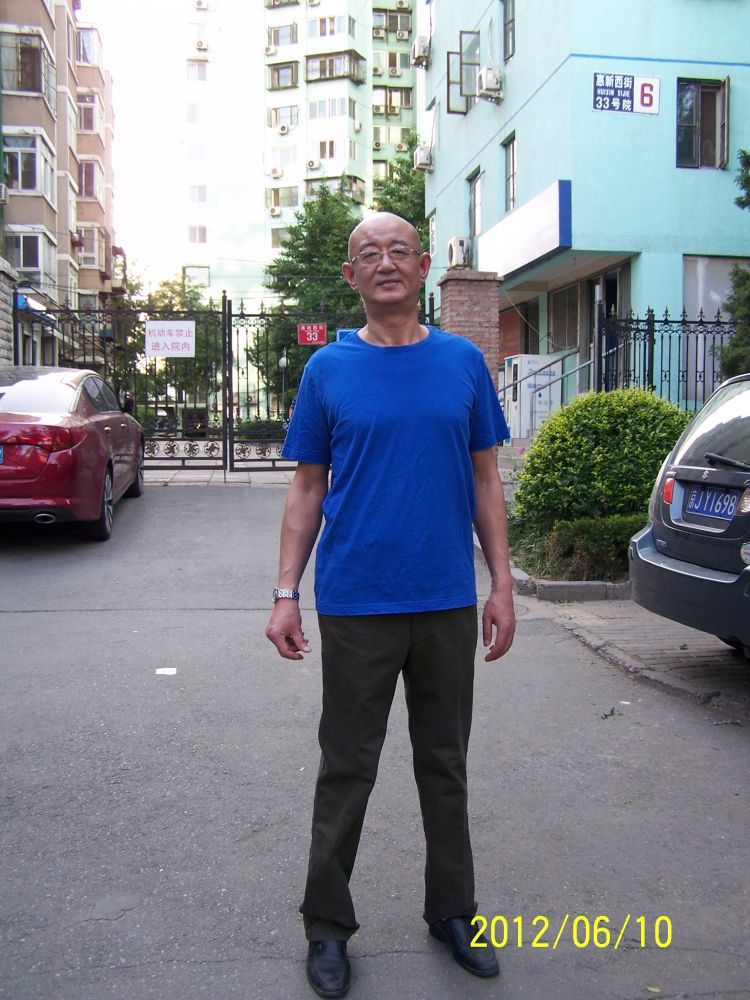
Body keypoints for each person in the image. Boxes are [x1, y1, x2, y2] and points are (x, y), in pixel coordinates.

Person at [265, 211, 516, 999]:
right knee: (347, 766)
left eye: (399, 250)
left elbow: (486, 479)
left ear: (423, 265)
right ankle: (326, 925)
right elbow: (308, 488)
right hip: (356, 603)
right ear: (350, 276)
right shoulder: (329, 371)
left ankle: (454, 912)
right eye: (369, 254)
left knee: (445, 763)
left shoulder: (463, 362)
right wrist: (285, 594)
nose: (385, 263)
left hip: (444, 599)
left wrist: (502, 583)